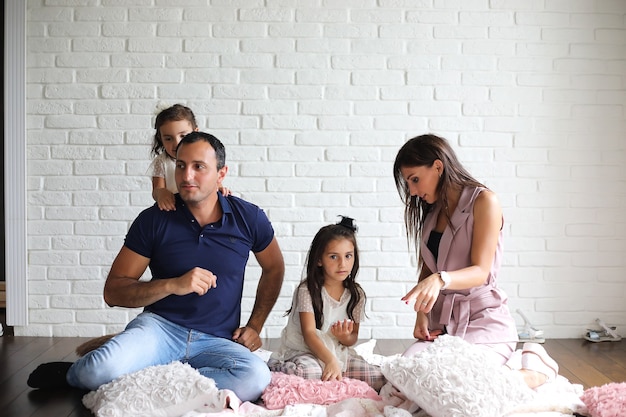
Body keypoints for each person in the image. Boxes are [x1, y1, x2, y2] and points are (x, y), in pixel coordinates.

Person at [28, 131, 285, 402]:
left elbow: (274, 268)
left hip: (217, 340)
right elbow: (114, 292)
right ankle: (73, 374)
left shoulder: (248, 217)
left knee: (255, 377)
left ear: (221, 174)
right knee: (97, 371)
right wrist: (173, 284)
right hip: (159, 329)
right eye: (181, 165)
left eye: (199, 167)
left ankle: (152, 378)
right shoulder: (154, 220)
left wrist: (255, 326)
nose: (186, 176)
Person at [393, 134, 558, 389]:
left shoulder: (484, 201)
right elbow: (429, 265)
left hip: (484, 324)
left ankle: (536, 370)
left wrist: (441, 279)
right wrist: (422, 314)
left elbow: (481, 271)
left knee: (463, 383)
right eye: (408, 183)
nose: (412, 191)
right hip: (444, 327)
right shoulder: (433, 210)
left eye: (415, 179)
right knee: (405, 377)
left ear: (438, 166)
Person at [267, 216, 386, 391]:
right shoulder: (307, 290)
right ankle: (276, 368)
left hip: (337, 351)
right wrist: (329, 360)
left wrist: (344, 337)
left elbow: (352, 338)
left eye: (348, 256)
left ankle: (334, 371)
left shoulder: (357, 294)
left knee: (377, 378)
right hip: (306, 351)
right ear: (319, 260)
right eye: (333, 257)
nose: (342, 264)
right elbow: (309, 334)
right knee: (309, 373)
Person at [149, 103, 229, 211]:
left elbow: (213, 179)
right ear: (160, 138)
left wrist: (219, 187)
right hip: (174, 209)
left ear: (195, 133)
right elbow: (157, 189)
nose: (177, 143)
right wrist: (161, 194)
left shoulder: (204, 156)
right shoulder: (162, 161)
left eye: (183, 136)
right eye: (168, 138)